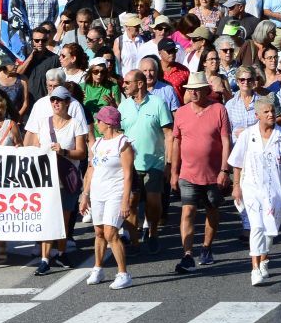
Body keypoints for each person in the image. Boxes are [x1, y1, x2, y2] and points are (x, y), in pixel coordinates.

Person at [229, 94, 281, 286]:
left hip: (275, 192)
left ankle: (264, 260)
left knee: (270, 232)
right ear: (257, 115)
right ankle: (254, 269)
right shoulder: (247, 135)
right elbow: (236, 163)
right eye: (266, 112)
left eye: (272, 111)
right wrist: (236, 186)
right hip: (251, 188)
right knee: (257, 227)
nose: (271, 114)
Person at [170, 73, 232, 273]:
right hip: (188, 173)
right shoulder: (180, 112)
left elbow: (225, 141)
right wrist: (173, 171)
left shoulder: (218, 109)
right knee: (187, 211)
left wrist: (225, 169)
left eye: (197, 89)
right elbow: (176, 142)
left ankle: (206, 247)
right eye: (190, 89)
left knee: (212, 210)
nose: (193, 92)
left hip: (213, 173)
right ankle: (187, 254)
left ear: (207, 90)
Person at [24, 86, 85, 276]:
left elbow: (82, 153)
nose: (55, 103)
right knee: (47, 219)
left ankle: (61, 252)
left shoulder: (76, 124)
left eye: (59, 100)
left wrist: (63, 151)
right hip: (46, 179)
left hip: (66, 178)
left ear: (68, 102)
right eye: (53, 100)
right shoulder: (43, 123)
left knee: (64, 220)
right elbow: (32, 147)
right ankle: (45, 258)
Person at [117, 69, 172, 254]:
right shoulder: (123, 106)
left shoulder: (158, 103)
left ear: (139, 84)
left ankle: (153, 232)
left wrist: (169, 163)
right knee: (131, 202)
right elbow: (117, 133)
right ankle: (134, 240)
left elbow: (168, 134)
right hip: (130, 163)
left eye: (127, 82)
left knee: (153, 201)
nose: (123, 85)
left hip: (154, 161)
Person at [80, 106, 135, 289]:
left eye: (99, 121)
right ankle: (98, 268)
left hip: (115, 192)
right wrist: (85, 195)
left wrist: (125, 200)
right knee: (99, 233)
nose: (96, 124)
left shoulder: (123, 143)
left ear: (108, 123)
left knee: (111, 233)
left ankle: (123, 273)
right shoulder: (97, 144)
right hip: (97, 193)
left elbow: (128, 175)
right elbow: (91, 169)